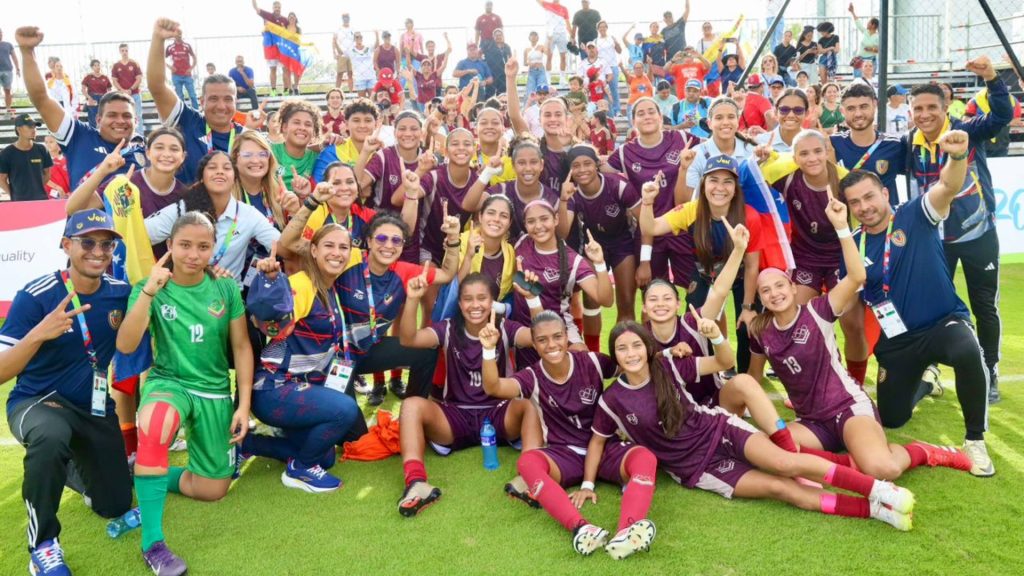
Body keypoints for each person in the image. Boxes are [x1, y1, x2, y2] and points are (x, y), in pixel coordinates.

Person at [595, 322, 916, 531]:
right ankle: (874, 510)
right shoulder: (612, 400)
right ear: (614, 355)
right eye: (622, 348)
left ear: (647, 347)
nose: (631, 354)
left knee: (785, 462)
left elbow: (723, 362)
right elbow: (598, 441)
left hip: (719, 429)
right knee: (781, 489)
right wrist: (586, 483)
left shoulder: (668, 365)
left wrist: (715, 335)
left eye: (636, 345)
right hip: (696, 468)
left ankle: (878, 490)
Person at [749, 187, 974, 481]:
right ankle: (846, 460)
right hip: (811, 423)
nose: (774, 294)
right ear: (760, 299)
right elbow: (752, 380)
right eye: (766, 291)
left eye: (779, 285)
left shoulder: (818, 309)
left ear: (793, 288)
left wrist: (842, 227)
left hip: (847, 408)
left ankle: (923, 451)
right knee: (768, 452)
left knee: (883, 469)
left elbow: (857, 276)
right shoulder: (760, 331)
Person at [840, 130, 996, 477]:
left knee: (967, 349)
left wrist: (957, 157)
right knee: (892, 419)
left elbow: (947, 187)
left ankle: (975, 439)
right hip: (897, 341)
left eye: (869, 196)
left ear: (885, 193)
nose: (864, 207)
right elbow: (847, 303)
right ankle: (927, 379)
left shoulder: (914, 214)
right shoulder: (852, 244)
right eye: (855, 202)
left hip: (942, 323)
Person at [117, 211, 253, 576]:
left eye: (203, 246)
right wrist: (149, 291)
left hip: (214, 391)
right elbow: (126, 345)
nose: (193, 254)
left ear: (213, 249)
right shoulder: (149, 286)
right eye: (185, 245)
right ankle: (153, 544)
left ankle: (143, 472)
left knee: (212, 489)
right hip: (169, 382)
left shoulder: (225, 288)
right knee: (156, 423)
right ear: (170, 245)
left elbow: (241, 347)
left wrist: (243, 405)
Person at [1, 209, 134, 575]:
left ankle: (70, 465)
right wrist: (38, 334)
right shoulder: (36, 296)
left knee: (115, 505)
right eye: (87, 242)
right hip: (39, 402)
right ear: (66, 245)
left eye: (106, 244)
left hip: (93, 407)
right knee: (50, 436)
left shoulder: (120, 293)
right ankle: (43, 545)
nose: (98, 252)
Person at [480, 311, 658, 558]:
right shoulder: (532, 376)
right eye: (542, 340)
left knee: (645, 458)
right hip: (565, 455)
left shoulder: (592, 361)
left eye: (557, 336)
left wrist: (673, 351)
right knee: (527, 462)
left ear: (567, 336)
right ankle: (581, 529)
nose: (551, 345)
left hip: (605, 447)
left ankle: (627, 531)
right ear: (534, 344)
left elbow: (634, 360)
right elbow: (494, 387)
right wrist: (488, 349)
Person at [906, 57, 1011, 404]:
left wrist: (992, 78)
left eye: (931, 107)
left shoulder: (967, 130)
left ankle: (989, 370)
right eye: (918, 108)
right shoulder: (908, 142)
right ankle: (929, 371)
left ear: (945, 108)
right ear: (910, 111)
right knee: (932, 308)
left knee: (984, 307)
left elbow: (1002, 116)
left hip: (978, 235)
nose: (925, 114)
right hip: (934, 241)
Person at [396, 273, 541, 515]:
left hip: (499, 414)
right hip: (455, 417)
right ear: (460, 303)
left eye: (482, 298)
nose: (475, 305)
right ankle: (416, 482)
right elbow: (409, 339)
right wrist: (412, 300)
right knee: (411, 405)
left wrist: (533, 300)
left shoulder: (505, 328)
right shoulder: (448, 328)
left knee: (529, 404)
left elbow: (540, 338)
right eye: (468, 299)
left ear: (492, 302)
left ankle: (528, 477)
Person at [240, 225, 362, 492]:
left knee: (325, 457)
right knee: (345, 410)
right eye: (329, 245)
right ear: (314, 250)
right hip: (274, 389)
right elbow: (269, 325)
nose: (337, 253)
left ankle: (249, 445)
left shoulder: (328, 288)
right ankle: (300, 470)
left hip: (298, 387)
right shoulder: (302, 285)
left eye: (343, 247)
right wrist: (272, 285)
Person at [641, 154, 763, 373]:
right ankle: (700, 371)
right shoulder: (691, 210)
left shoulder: (749, 216)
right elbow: (651, 228)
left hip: (741, 275)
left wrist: (747, 307)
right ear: (704, 184)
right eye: (713, 180)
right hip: (704, 272)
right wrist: (648, 202)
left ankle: (744, 377)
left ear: (736, 188)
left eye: (727, 182)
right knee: (695, 322)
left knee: (746, 326)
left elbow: (753, 266)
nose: (720, 188)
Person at [334, 211, 459, 406]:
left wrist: (453, 239)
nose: (389, 245)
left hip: (369, 350)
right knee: (348, 419)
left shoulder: (403, 271)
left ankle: (413, 411)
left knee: (426, 352)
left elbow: (447, 274)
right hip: (338, 356)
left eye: (396, 240)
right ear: (369, 241)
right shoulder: (350, 259)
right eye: (381, 238)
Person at [605, 97, 699, 294]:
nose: (647, 116)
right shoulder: (625, 152)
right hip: (648, 232)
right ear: (633, 121)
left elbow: (714, 147)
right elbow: (595, 168)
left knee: (696, 292)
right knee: (652, 293)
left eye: (651, 112)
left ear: (660, 117)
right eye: (640, 113)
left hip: (681, 227)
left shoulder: (682, 138)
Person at [148, 19, 259, 186]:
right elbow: (157, 87)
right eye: (213, 99)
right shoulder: (188, 120)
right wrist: (158, 39)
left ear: (235, 102)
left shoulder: (244, 137)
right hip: (188, 203)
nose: (221, 106)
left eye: (228, 99)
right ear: (201, 101)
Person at [144, 151, 280, 284]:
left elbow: (281, 247)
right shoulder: (182, 209)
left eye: (226, 168)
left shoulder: (248, 214)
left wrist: (294, 212)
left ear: (235, 178)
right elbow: (138, 236)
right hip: (185, 290)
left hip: (228, 293)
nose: (220, 172)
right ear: (202, 177)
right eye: (212, 167)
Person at [511, 199, 613, 367]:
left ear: (556, 219)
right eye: (531, 221)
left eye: (544, 219)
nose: (538, 226)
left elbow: (606, 300)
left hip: (559, 330)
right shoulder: (521, 244)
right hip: (523, 330)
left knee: (582, 360)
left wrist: (600, 263)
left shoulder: (573, 260)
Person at [560, 145, 641, 325]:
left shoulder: (618, 186)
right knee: (591, 299)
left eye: (587, 163)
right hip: (593, 245)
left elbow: (644, 221)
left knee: (626, 302)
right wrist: (563, 200)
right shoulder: (572, 193)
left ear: (596, 164)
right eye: (576, 165)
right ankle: (592, 344)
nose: (582, 169)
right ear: (570, 170)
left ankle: (624, 342)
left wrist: (644, 260)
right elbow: (562, 233)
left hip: (623, 243)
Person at [314, 97, 379, 181]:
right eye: (356, 120)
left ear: (376, 124)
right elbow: (320, 185)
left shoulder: (381, 154)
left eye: (368, 120)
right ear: (347, 124)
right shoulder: (331, 152)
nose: (362, 125)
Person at [271, 99, 320, 193]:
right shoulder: (270, 152)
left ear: (314, 131)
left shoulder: (318, 157)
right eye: (296, 122)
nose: (302, 128)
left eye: (308, 124)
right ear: (284, 127)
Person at [0, 114, 52, 201]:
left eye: (35, 127)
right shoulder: (6, 153)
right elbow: (2, 179)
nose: (34, 130)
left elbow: (48, 174)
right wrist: (14, 195)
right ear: (19, 129)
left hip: (41, 200)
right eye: (30, 127)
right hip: (19, 202)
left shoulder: (42, 149)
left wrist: (36, 189)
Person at [252, 0, 290, 96]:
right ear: (273, 8)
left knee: (285, 69)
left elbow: (291, 32)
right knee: (273, 69)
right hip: (270, 46)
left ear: (281, 8)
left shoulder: (285, 20)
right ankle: (273, 90)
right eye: (275, 7)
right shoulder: (267, 15)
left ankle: (286, 90)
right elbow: (256, 8)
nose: (277, 9)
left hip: (282, 47)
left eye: (279, 7)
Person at [756, 89, 811, 153]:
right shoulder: (760, 142)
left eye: (798, 110)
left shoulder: (814, 142)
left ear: (806, 113)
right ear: (775, 112)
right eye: (784, 109)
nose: (791, 115)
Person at [111, 43, 145, 137]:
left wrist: (130, 89)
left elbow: (139, 79)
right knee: (123, 116)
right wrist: (122, 90)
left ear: (128, 51)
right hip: (122, 96)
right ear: (119, 52)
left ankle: (139, 137)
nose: (124, 52)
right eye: (122, 51)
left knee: (137, 115)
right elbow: (114, 81)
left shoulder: (134, 63)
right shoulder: (116, 65)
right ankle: (126, 136)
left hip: (134, 94)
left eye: (126, 50)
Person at [538, 0, 571, 85]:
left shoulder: (564, 8)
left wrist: (572, 36)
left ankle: (562, 79)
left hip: (562, 34)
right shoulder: (547, 4)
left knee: (563, 57)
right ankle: (548, 79)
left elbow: (568, 23)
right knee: (549, 56)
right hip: (550, 34)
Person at [593, 21, 622, 116]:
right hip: (601, 69)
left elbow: (619, 51)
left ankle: (617, 110)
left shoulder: (611, 38)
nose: (602, 28)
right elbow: (593, 55)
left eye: (604, 26)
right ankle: (606, 111)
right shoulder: (595, 41)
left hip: (612, 66)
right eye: (600, 27)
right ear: (598, 29)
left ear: (606, 28)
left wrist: (616, 43)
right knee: (602, 90)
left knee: (614, 89)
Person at [165, 30, 198, 110]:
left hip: (187, 75)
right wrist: (170, 67)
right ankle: (182, 113)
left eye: (180, 34)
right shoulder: (170, 47)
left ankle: (196, 112)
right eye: (176, 34)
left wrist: (191, 68)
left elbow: (194, 57)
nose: (178, 36)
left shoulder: (187, 45)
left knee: (192, 95)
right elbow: (162, 58)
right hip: (176, 75)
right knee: (179, 96)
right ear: (173, 35)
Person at [848, 3, 879, 78]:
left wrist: (870, 49)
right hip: (860, 59)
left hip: (870, 60)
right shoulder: (865, 32)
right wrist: (852, 12)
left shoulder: (877, 37)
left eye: (869, 22)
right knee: (857, 80)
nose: (867, 24)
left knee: (868, 79)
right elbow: (858, 24)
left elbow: (879, 50)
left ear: (873, 25)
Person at [81, 59, 113, 128]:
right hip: (92, 98)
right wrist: (89, 98)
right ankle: (92, 132)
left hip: (103, 98)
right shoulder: (88, 77)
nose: (97, 67)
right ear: (92, 67)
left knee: (104, 116)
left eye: (98, 65)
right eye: (95, 65)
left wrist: (108, 98)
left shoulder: (105, 77)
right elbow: (83, 89)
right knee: (93, 118)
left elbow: (109, 89)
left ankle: (104, 132)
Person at [483, 30, 512, 97]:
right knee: (489, 95)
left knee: (502, 95)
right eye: (496, 35)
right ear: (493, 37)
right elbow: (480, 54)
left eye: (500, 35)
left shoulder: (507, 47)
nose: (498, 37)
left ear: (503, 36)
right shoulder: (488, 45)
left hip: (503, 74)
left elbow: (510, 59)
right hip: (491, 74)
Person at [0, 28, 20, 117]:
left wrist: (17, 68)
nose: (0, 35)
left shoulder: (8, 45)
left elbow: (14, 57)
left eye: (1, 33)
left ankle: (8, 109)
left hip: (7, 70)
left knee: (7, 90)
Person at [333, 13, 355, 91]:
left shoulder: (353, 29)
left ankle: (351, 92)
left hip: (351, 54)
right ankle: (336, 91)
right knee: (340, 73)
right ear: (342, 19)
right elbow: (333, 41)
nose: (346, 19)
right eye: (344, 17)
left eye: (347, 17)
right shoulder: (338, 29)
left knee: (350, 73)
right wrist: (334, 53)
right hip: (341, 54)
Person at [351, 31, 376, 98]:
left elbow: (376, 46)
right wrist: (335, 43)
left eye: (360, 37)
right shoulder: (351, 50)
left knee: (372, 98)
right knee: (362, 100)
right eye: (357, 37)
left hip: (371, 76)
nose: (359, 38)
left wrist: (377, 35)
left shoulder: (368, 47)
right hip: (359, 78)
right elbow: (341, 52)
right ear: (354, 39)